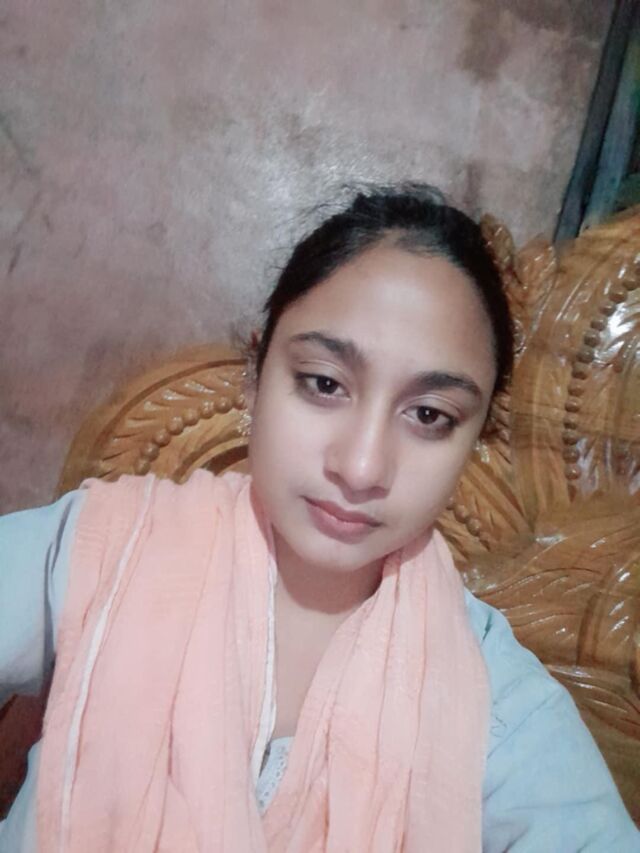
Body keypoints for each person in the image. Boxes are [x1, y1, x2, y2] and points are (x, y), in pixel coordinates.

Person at [1, 184, 638, 852]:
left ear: (473, 440)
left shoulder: (495, 704)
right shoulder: (112, 551)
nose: (361, 467)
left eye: (429, 415)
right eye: (325, 383)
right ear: (256, 377)